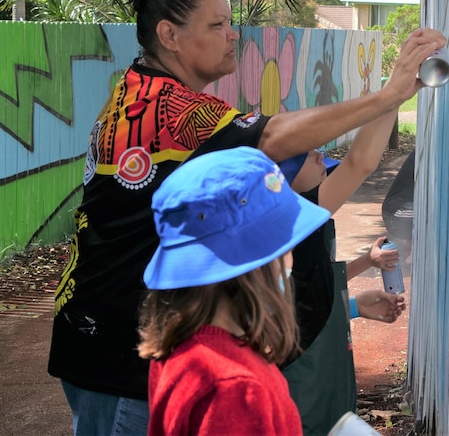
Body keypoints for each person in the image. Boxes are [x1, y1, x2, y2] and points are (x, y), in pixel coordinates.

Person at [47, 0, 446, 436]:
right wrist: (388, 94)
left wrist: (396, 91)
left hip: (112, 334)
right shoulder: (167, 109)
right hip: (118, 348)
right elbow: (276, 135)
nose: (233, 34)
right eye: (216, 25)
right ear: (169, 35)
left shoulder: (139, 92)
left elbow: (356, 160)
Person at [137, 146, 327, 436]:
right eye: (284, 244)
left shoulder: (181, 349)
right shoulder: (235, 389)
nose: (290, 257)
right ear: (253, 265)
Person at [275, 107, 406, 436]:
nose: (320, 155)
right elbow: (361, 161)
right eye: (308, 153)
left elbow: (304, 291)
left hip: (327, 392)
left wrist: (352, 304)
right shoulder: (297, 218)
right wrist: (395, 93)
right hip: (305, 398)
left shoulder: (305, 229)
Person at [382, 149, 416, 277]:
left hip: (402, 208)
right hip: (398, 210)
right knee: (430, 214)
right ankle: (413, 255)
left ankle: (412, 247)